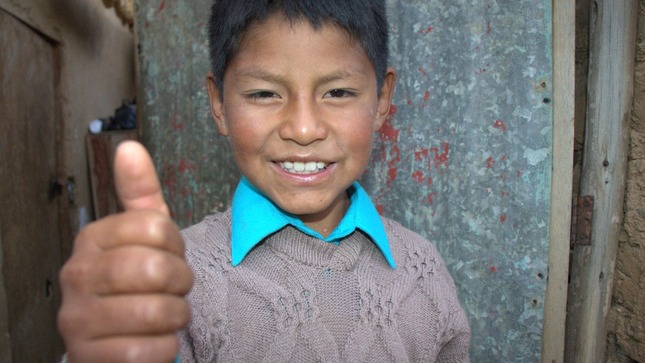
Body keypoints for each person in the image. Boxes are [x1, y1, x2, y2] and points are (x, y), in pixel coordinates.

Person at [57, 0, 471, 362]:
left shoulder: (422, 271)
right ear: (219, 104)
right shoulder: (175, 281)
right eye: (263, 94)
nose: (304, 129)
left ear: (381, 100)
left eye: (339, 92)